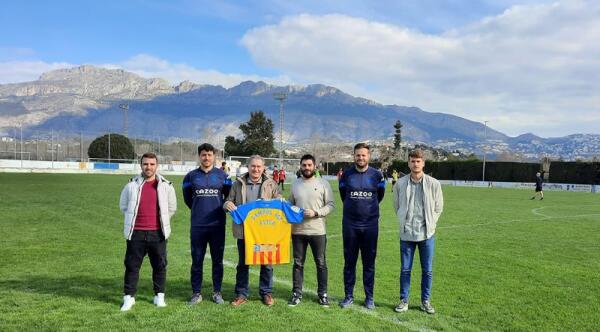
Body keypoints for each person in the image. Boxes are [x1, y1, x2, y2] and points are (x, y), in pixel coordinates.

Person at [118, 152, 177, 311]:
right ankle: (129, 298)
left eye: (152, 164)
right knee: (132, 266)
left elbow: (172, 208)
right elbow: (123, 206)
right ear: (141, 165)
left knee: (159, 266)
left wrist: (160, 223)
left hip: (158, 234)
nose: (148, 167)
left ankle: (159, 296)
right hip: (135, 233)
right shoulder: (131, 185)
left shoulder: (166, 185)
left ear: (156, 166)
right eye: (145, 164)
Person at [223, 155, 282, 306]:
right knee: (243, 263)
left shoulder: (271, 184)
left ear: (263, 168)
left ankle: (266, 292)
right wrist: (227, 205)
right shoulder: (238, 184)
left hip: (265, 232)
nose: (256, 169)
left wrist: (281, 201)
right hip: (244, 231)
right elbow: (228, 201)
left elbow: (279, 203)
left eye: (259, 166)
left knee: (267, 263)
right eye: (253, 166)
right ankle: (241, 294)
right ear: (248, 167)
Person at [393, 149, 444, 315]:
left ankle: (425, 301)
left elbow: (438, 207)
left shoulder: (434, 184)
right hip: (407, 233)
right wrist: (403, 220)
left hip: (426, 234)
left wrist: (431, 224)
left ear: (423, 163)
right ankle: (404, 300)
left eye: (418, 161)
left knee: (427, 270)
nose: (415, 164)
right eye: (412, 161)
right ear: (408, 163)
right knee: (405, 270)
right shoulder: (400, 183)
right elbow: (397, 206)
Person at [183, 143, 232, 305]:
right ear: (199, 156)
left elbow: (228, 198)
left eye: (209, 155)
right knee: (197, 260)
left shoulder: (223, 176)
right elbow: (188, 200)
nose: (206, 158)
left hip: (217, 225)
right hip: (198, 225)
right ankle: (196, 293)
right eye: (203, 155)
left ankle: (217, 292)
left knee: (217, 260)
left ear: (214, 156)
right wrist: (200, 210)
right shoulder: (190, 177)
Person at [338, 143, 385, 309]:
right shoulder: (346, 175)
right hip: (350, 225)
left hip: (370, 225)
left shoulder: (377, 176)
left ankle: (369, 297)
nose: (360, 158)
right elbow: (344, 195)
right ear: (354, 156)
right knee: (349, 262)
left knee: (369, 263)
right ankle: (348, 296)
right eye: (358, 155)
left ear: (369, 156)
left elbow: (380, 196)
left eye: (363, 155)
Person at [287, 154, 335, 307]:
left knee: (320, 263)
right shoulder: (295, 184)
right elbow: (289, 205)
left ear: (315, 166)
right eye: (304, 165)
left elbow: (331, 205)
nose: (306, 168)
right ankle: (296, 294)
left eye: (309, 165)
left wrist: (316, 213)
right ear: (300, 166)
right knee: (298, 264)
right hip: (298, 231)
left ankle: (323, 295)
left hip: (317, 231)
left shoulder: (324, 184)